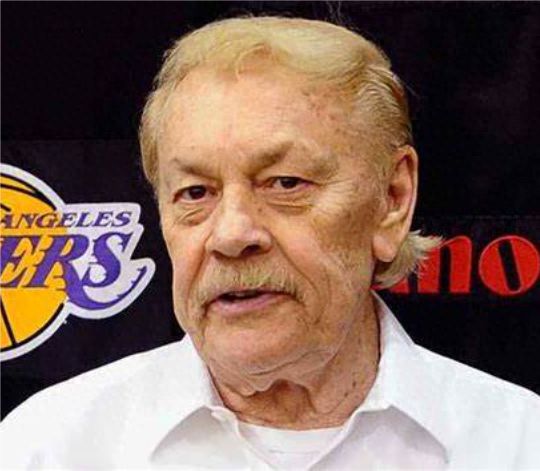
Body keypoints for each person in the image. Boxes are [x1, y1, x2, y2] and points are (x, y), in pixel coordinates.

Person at [1, 16, 539, 470]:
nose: (232, 234)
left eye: (285, 183)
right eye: (195, 192)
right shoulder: (48, 447)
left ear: (392, 199)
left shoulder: (516, 443)